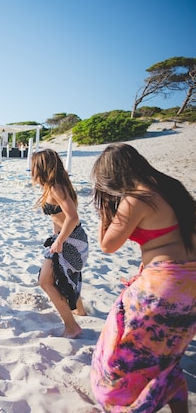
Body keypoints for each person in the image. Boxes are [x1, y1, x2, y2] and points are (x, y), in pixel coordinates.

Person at [89, 143, 196, 413]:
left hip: (165, 283)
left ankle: (126, 402)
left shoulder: (136, 199)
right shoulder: (171, 188)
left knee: (121, 352)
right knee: (165, 354)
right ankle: (173, 394)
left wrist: (104, 210)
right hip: (191, 281)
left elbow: (107, 245)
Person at [31, 149, 88, 339]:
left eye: (33, 166)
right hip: (70, 237)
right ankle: (80, 311)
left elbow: (73, 217)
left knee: (45, 281)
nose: (31, 170)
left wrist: (59, 242)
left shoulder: (56, 187)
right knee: (68, 275)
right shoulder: (54, 186)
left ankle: (72, 327)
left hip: (70, 239)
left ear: (41, 167)